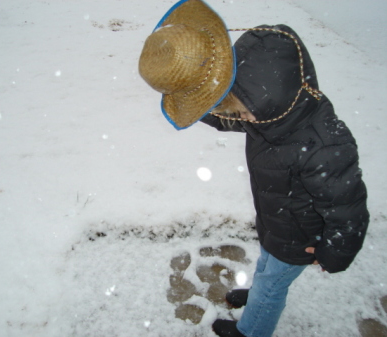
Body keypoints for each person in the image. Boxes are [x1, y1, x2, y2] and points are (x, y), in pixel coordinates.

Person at [138, 0, 370, 336]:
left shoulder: (325, 147)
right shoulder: (273, 112)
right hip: (277, 221)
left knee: (273, 284)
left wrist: (334, 253)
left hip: (301, 237)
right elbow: (230, 120)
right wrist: (198, 102)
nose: (243, 120)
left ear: (267, 102)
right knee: (266, 269)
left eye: (245, 114)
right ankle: (260, 291)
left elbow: (348, 211)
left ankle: (252, 330)